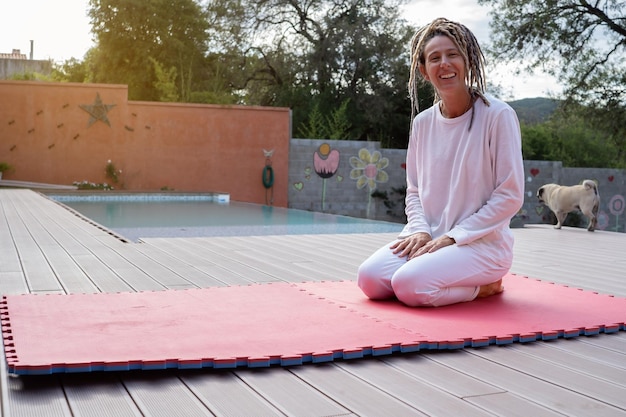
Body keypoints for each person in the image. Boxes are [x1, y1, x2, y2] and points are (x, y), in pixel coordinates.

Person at [357, 18, 525, 307]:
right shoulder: (422, 124)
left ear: (468, 61)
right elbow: (414, 190)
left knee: (408, 285)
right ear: (424, 70)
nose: (444, 63)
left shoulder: (498, 115)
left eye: (453, 54)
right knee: (370, 279)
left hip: (481, 245)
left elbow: (510, 195)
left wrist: (453, 237)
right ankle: (433, 268)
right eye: (435, 58)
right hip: (429, 238)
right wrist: (420, 230)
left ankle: (484, 287)